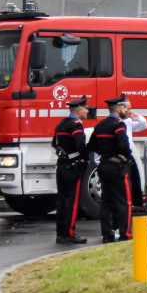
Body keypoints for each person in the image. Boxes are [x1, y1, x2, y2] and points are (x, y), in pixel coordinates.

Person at [88, 96, 135, 242]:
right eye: (124, 108)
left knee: (106, 202)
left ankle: (107, 235)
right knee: (124, 201)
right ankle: (125, 234)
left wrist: (105, 152)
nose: (126, 110)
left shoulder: (100, 125)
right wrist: (126, 156)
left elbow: (91, 146)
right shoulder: (119, 125)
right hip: (117, 167)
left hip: (103, 165)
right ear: (118, 108)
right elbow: (124, 145)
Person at [52, 98, 90, 244]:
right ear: (79, 110)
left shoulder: (61, 123)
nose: (87, 111)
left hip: (61, 164)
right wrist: (85, 158)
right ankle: (69, 233)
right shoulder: (76, 125)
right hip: (73, 166)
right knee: (72, 201)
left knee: (61, 199)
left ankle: (60, 233)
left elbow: (54, 143)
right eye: (86, 108)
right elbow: (80, 144)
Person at [113, 94, 147, 207]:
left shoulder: (128, 121)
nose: (129, 111)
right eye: (127, 108)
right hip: (118, 154)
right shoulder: (114, 122)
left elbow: (144, 125)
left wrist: (136, 117)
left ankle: (136, 202)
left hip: (127, 154)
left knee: (135, 178)